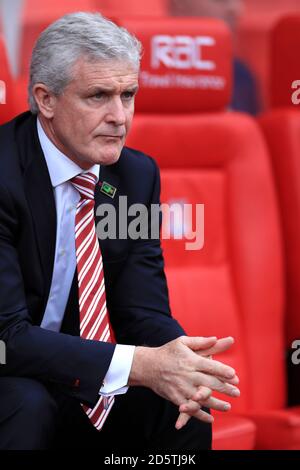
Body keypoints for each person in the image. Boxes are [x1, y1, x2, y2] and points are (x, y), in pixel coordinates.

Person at [0, 12, 240, 450]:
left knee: (181, 405)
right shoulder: (3, 176)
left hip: (74, 369)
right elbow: (7, 338)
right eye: (98, 96)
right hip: (9, 369)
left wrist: (179, 362)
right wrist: (143, 365)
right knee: (27, 402)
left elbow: (141, 308)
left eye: (128, 94)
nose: (119, 116)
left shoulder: (135, 176)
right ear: (45, 99)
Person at [168, 0, 262, 115]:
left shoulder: (241, 75)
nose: (236, 9)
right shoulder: (147, 76)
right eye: (220, 1)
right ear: (179, 4)